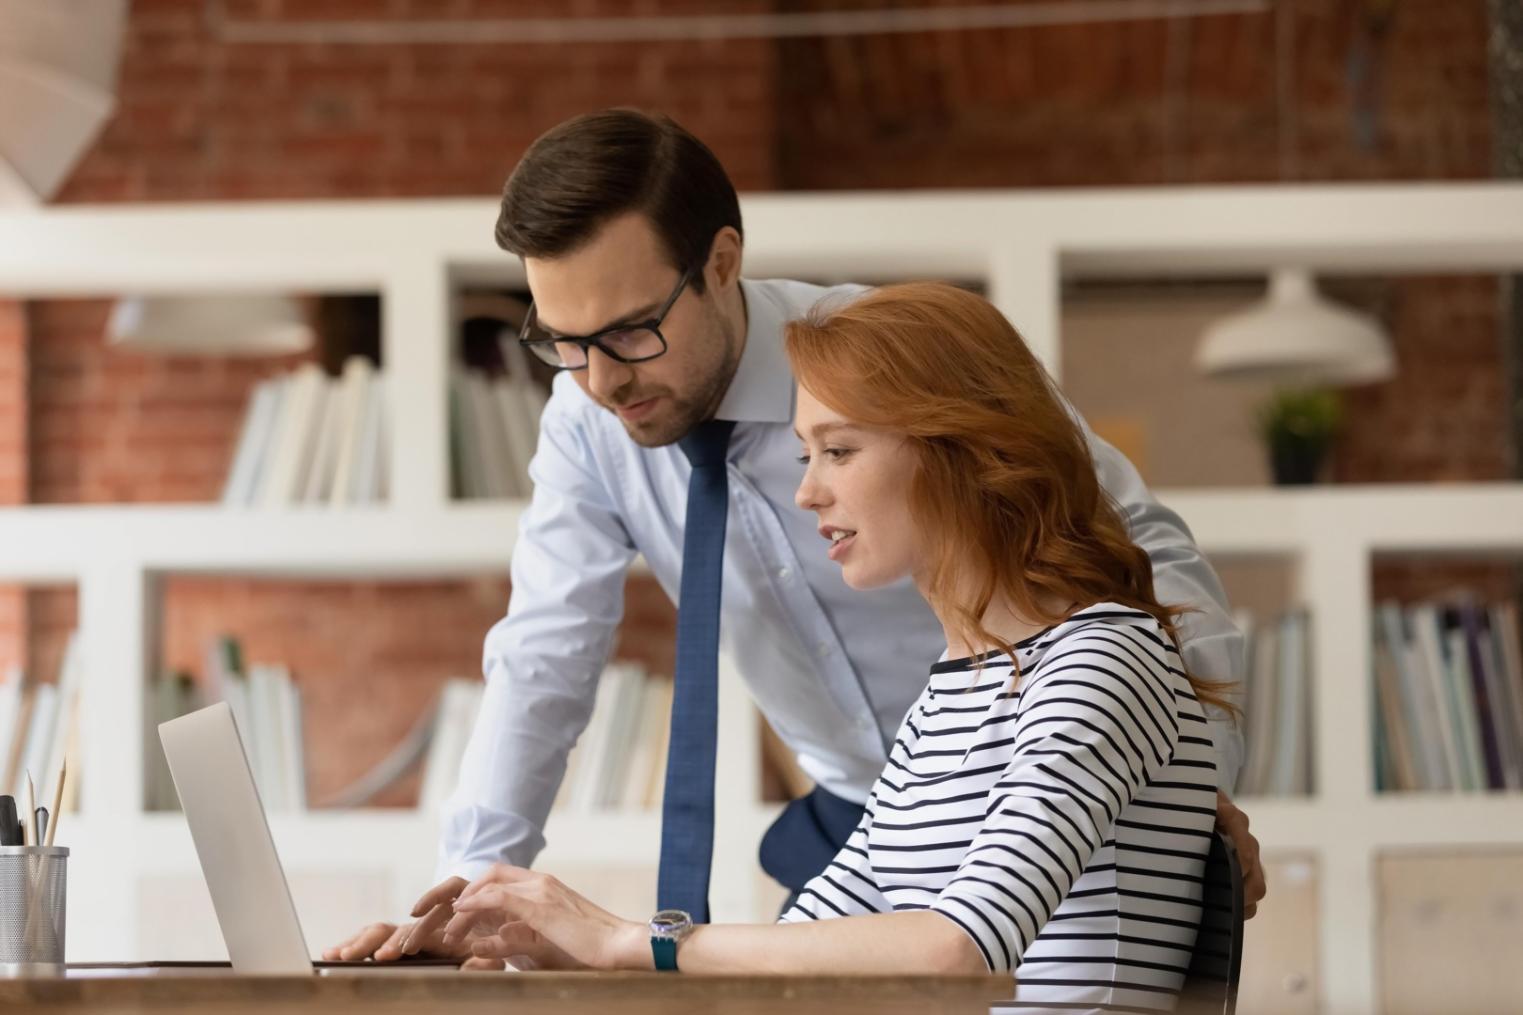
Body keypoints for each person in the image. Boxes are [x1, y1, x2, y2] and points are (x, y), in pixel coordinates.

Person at [325, 108, 1265, 965]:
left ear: (722, 263)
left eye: (629, 332)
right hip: (879, 812)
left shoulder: (894, 363)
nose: (599, 381)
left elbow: (1140, 542)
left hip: (1046, 770)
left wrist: (1187, 794)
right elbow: (542, 658)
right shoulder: (585, 421)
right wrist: (477, 901)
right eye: (562, 344)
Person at [434, 282, 1230, 1011]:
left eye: (838, 451)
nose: (807, 490)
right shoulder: (953, 689)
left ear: (961, 447)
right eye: (804, 453)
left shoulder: (1100, 663)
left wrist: (621, 939)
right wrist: (555, 948)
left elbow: (959, 948)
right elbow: (807, 941)